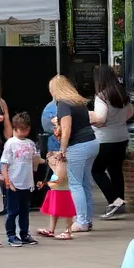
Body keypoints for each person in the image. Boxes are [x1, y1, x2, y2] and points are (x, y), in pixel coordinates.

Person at [49, 75, 99, 232]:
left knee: (75, 184)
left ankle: (81, 220)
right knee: (85, 183)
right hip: (92, 142)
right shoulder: (79, 102)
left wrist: (63, 149)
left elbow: (67, 130)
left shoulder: (63, 105)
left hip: (78, 146)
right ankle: (87, 219)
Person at [90, 65, 133, 220]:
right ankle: (119, 202)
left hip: (105, 139)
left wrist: (92, 119)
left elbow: (100, 118)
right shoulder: (122, 93)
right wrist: (118, 121)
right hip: (121, 136)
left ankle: (114, 201)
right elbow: (131, 112)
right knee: (115, 170)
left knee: (97, 170)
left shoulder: (101, 96)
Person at [2, 112, 41, 247]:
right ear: (15, 128)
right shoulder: (10, 143)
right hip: (14, 182)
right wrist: (7, 180)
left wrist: (35, 175)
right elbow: (4, 164)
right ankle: (11, 234)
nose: (23, 132)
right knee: (13, 211)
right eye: (20, 129)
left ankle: (24, 233)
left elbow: (35, 161)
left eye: (26, 129)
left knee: (25, 210)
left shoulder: (30, 143)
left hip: (27, 182)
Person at [39, 151, 76, 239]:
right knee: (53, 212)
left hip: (63, 192)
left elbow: (59, 180)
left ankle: (68, 230)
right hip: (55, 191)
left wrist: (46, 183)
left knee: (67, 213)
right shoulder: (55, 167)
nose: (48, 161)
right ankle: (51, 230)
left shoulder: (61, 165)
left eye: (49, 159)